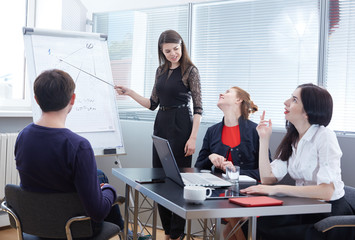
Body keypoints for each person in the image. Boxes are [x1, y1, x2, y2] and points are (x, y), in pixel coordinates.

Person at [115, 29, 202, 240]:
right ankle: (168, 232)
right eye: (168, 51)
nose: (174, 54)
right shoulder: (160, 71)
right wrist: (130, 92)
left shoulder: (190, 71)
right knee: (160, 181)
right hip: (161, 126)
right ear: (161, 51)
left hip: (182, 125)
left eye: (176, 49)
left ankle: (177, 233)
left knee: (178, 182)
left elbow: (199, 108)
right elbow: (152, 104)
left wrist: (193, 137)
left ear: (182, 46)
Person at [14, 69, 124, 237]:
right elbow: (98, 213)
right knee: (103, 182)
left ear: (36, 100)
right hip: (75, 228)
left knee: (98, 174)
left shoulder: (23, 136)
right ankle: (124, 231)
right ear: (72, 99)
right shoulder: (79, 146)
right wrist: (109, 190)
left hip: (37, 224)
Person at [239, 83, 355, 240]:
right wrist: (264, 139)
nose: (286, 102)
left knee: (266, 229)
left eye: (294, 100)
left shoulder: (325, 136)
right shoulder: (294, 138)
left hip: (328, 214)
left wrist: (277, 189)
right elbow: (268, 178)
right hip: (306, 208)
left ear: (307, 112)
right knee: (251, 223)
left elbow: (326, 192)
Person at [195, 86, 270, 240]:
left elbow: (266, 172)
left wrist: (234, 172)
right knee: (228, 229)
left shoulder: (255, 131)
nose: (221, 93)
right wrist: (211, 157)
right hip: (219, 193)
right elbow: (198, 167)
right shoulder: (212, 131)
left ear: (238, 100)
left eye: (228, 92)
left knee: (230, 223)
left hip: (249, 192)